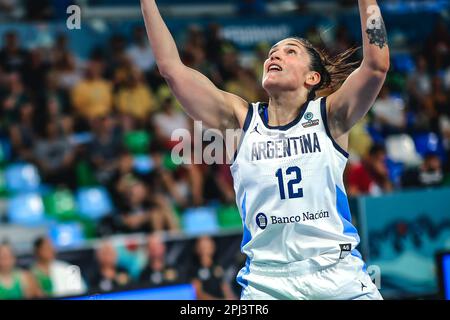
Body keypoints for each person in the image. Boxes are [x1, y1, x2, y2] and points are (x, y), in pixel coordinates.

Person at [141, 0, 389, 300]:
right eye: (272, 52)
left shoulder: (331, 116)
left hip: (338, 276)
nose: (275, 54)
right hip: (268, 284)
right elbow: (171, 69)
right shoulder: (239, 120)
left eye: (290, 51)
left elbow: (376, 65)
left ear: (312, 78)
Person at [189, 236, 237, 300]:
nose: (205, 249)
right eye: (203, 246)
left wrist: (230, 297)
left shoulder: (218, 266)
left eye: (208, 246)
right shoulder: (194, 268)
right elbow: (198, 293)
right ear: (197, 248)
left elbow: (224, 286)